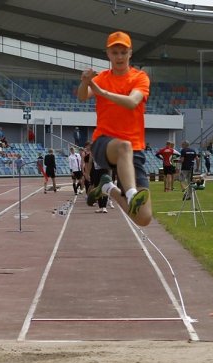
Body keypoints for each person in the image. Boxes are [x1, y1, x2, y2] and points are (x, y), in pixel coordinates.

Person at [77, 30, 152, 227]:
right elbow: (82, 96)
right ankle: (132, 194)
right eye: (115, 52)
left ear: (130, 53)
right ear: (108, 54)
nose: (119, 56)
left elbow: (132, 102)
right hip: (104, 142)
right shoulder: (102, 77)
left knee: (143, 218)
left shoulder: (140, 77)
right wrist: (85, 83)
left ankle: (108, 188)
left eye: (123, 52)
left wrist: (102, 92)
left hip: (135, 149)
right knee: (123, 146)